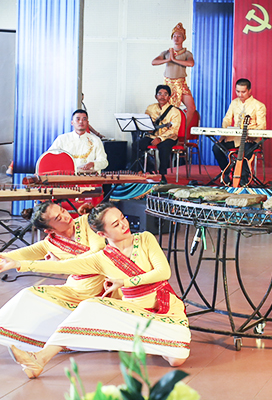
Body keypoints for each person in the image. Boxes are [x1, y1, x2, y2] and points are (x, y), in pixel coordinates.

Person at [0, 202, 190, 378]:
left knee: (176, 360)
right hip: (133, 311)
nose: (124, 225)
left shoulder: (145, 238)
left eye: (123, 218)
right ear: (102, 234)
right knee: (89, 305)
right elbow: (60, 268)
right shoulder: (101, 258)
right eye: (116, 224)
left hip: (165, 306)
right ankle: (39, 359)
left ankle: (148, 340)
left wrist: (124, 282)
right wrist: (18, 263)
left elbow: (163, 272)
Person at [0, 202, 107, 352]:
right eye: (58, 218)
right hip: (76, 288)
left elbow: (99, 251)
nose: (65, 216)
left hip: (103, 285)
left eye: (63, 211)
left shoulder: (86, 221)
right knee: (28, 294)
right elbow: (13, 255)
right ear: (49, 229)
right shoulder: (49, 244)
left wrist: (61, 264)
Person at [212, 78, 267, 173]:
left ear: (249, 91)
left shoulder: (259, 105)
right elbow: (227, 119)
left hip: (250, 140)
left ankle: (243, 177)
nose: (240, 95)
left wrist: (252, 137)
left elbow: (262, 126)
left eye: (243, 92)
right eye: (238, 91)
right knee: (216, 148)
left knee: (246, 151)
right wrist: (223, 134)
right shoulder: (234, 103)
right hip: (235, 138)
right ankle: (227, 172)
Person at [151, 22, 196, 135]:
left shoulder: (186, 53)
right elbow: (154, 62)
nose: (176, 38)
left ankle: (182, 132)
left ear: (183, 38)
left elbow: (191, 63)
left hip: (181, 83)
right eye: (174, 36)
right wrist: (168, 59)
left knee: (191, 108)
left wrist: (174, 60)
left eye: (179, 36)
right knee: (168, 110)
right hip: (169, 85)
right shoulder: (166, 53)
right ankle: (167, 133)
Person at [138, 84, 181, 182]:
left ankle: (162, 175)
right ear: (156, 96)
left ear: (169, 97)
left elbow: (174, 130)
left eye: (165, 94)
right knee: (137, 145)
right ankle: (143, 170)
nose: (162, 96)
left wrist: (160, 138)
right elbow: (146, 122)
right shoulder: (150, 108)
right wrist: (148, 129)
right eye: (160, 94)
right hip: (152, 135)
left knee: (164, 147)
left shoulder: (175, 111)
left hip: (169, 137)